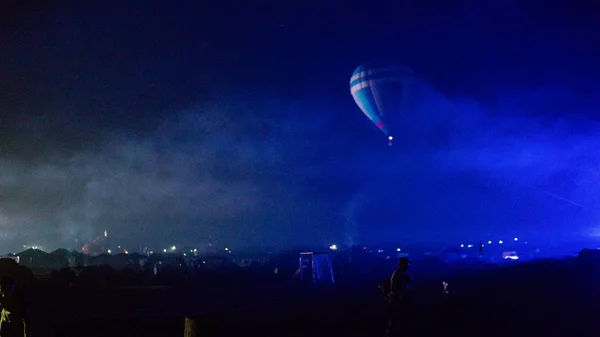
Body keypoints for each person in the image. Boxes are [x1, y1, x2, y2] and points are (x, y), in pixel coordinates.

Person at [386, 257, 413, 337]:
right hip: (396, 303)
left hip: (395, 302)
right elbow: (400, 290)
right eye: (407, 264)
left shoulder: (398, 275)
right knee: (395, 324)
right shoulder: (399, 276)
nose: (408, 266)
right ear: (402, 265)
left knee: (394, 324)